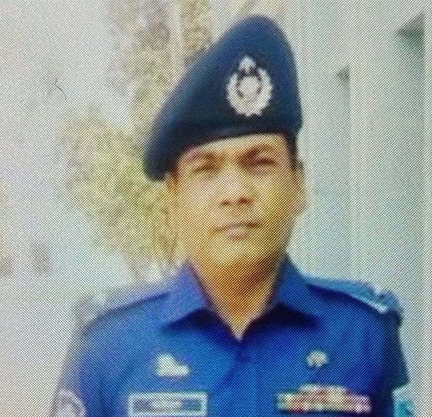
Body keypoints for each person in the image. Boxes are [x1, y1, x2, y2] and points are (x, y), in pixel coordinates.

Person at [50, 15, 413, 417]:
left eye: (259, 163)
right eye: (206, 169)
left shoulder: (363, 336)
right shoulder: (108, 346)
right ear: (173, 197)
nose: (235, 193)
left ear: (298, 184)